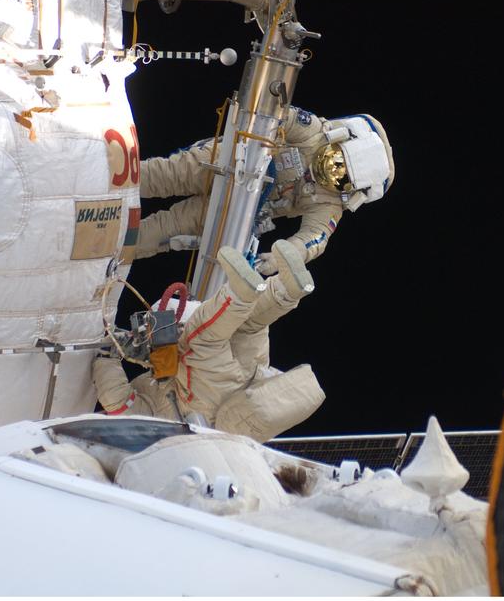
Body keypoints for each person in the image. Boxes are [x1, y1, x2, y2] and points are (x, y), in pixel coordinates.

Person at [93, 242, 324, 442]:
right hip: (209, 400)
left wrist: (119, 352)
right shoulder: (146, 426)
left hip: (253, 379)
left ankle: (287, 290)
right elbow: (116, 401)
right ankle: (239, 295)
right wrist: (105, 355)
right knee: (200, 340)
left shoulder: (155, 415)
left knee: (249, 325)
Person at [137, 109, 394, 273]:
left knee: (165, 230)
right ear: (337, 143)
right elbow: (276, 114)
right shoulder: (315, 133)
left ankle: (117, 243)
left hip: (237, 207)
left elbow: (313, 241)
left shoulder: (329, 204)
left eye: (341, 178)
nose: (332, 171)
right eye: (336, 159)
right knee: (163, 175)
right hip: (228, 162)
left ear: (351, 190)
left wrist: (279, 259)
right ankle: (115, 180)